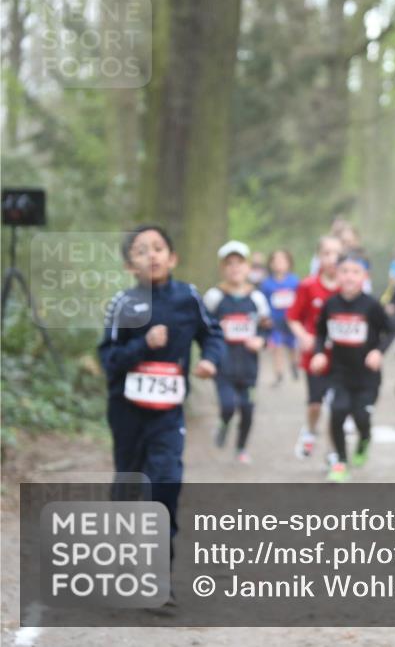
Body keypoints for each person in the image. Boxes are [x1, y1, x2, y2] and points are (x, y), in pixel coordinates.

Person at [98, 224, 225, 595]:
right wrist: (142, 344)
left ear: (172, 258)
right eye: (141, 250)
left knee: (166, 480)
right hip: (126, 410)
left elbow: (212, 334)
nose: (151, 255)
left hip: (168, 412)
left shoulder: (188, 297)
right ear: (129, 266)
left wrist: (211, 361)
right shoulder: (123, 304)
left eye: (158, 248)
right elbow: (108, 358)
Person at [310, 253, 395, 482]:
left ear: (364, 277)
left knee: (361, 418)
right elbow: (320, 333)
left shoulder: (371, 305)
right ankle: (340, 462)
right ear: (336, 274)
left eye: (355, 272)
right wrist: (319, 353)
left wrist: (378, 351)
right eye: (344, 271)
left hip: (367, 377)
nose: (349, 277)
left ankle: (364, 440)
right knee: (337, 413)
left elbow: (390, 331)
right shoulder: (331, 304)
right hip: (339, 373)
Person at [203, 241, 271, 464]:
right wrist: (214, 334)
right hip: (223, 364)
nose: (235, 268)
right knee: (228, 405)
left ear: (248, 267)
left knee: (248, 408)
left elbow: (267, 327)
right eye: (229, 264)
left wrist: (261, 340)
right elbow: (203, 327)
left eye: (239, 263)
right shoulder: (214, 296)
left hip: (249, 366)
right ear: (223, 268)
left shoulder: (257, 298)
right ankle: (223, 423)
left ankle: (241, 448)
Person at [286, 235, 341, 459]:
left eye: (337, 253)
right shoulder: (307, 286)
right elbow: (293, 317)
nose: (332, 259)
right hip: (315, 357)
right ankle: (309, 431)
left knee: (337, 409)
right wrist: (303, 336)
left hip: (341, 358)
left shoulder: (348, 288)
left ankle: (333, 452)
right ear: (319, 257)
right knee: (316, 406)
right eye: (327, 253)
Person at [259, 249, 300, 386]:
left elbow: (299, 300)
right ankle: (279, 373)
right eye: (275, 261)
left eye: (282, 261)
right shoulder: (267, 284)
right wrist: (265, 318)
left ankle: (294, 365)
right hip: (274, 320)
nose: (279, 264)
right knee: (277, 346)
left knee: (292, 345)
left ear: (289, 263)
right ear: (270, 264)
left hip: (290, 320)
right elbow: (263, 301)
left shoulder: (294, 281)